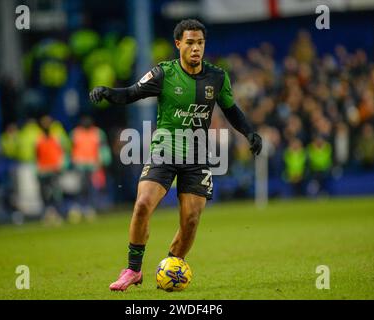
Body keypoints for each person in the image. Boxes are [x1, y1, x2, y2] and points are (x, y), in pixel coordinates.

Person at [89, 19, 262, 291]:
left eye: (201, 43)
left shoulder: (217, 76)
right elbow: (131, 93)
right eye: (190, 42)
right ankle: (133, 270)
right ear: (178, 44)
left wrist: (249, 132)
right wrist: (107, 92)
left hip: (197, 156)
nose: (196, 48)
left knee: (191, 221)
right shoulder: (163, 74)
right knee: (143, 203)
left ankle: (172, 267)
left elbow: (231, 109)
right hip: (165, 150)